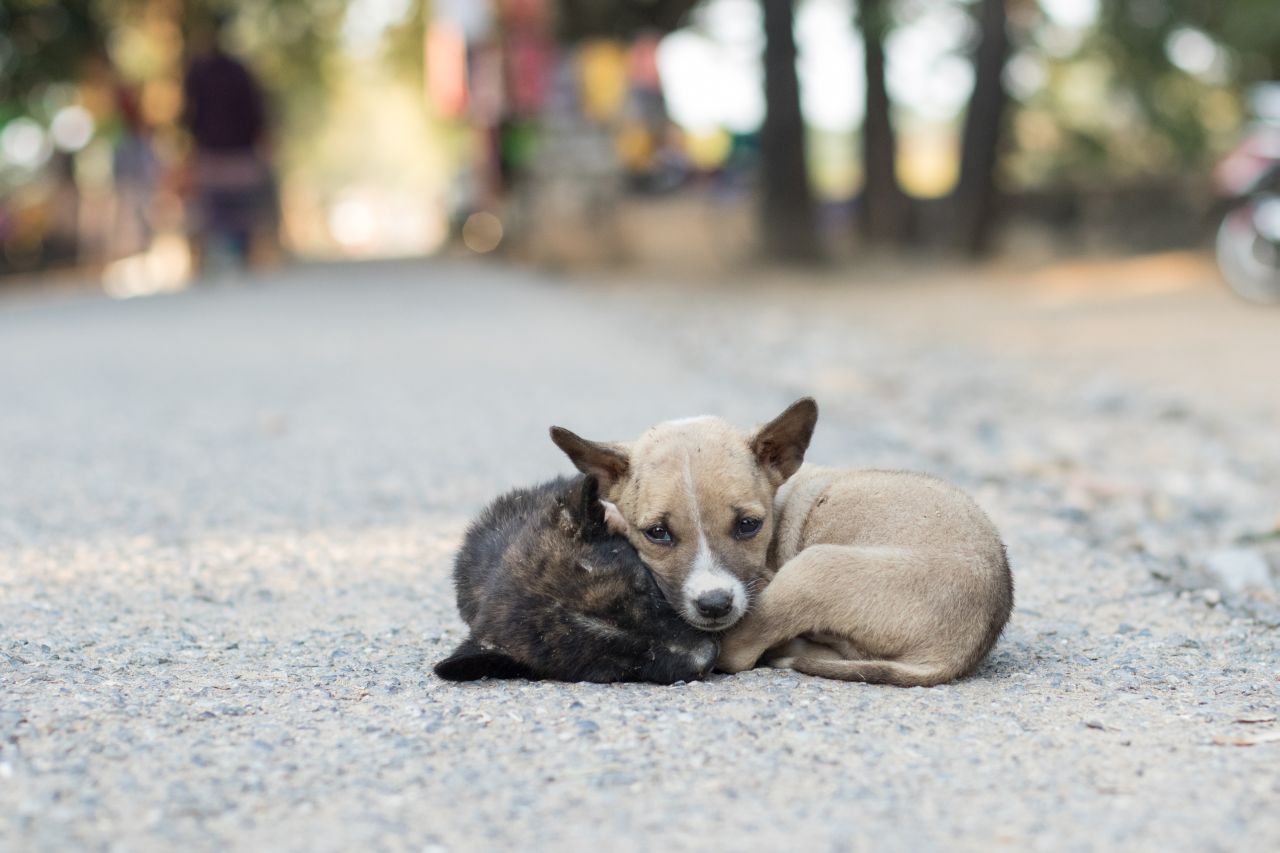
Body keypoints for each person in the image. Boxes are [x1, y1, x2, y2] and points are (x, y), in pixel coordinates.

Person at [181, 15, 275, 272]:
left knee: (217, 210)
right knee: (236, 209)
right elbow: (256, 112)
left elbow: (189, 115)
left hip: (215, 151)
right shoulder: (239, 71)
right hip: (236, 152)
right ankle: (237, 256)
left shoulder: (198, 73)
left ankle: (224, 257)